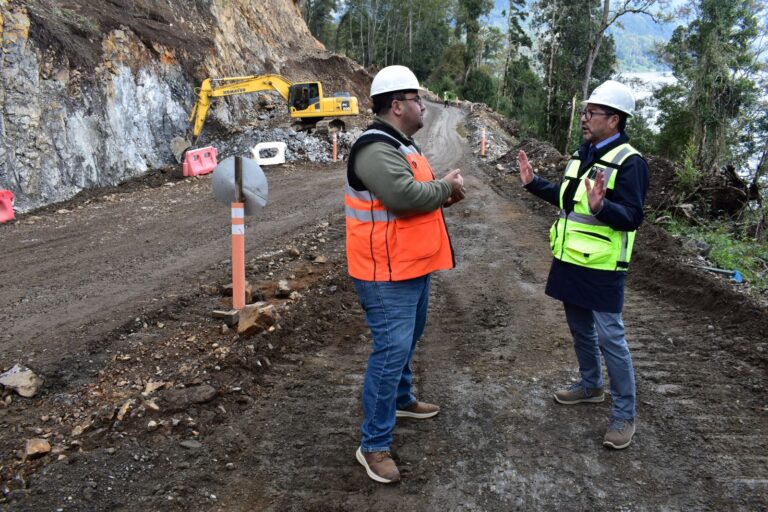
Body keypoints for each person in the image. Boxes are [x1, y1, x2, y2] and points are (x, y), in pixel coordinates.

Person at [345, 65, 466, 483]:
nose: (423, 106)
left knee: (407, 340)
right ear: (396, 105)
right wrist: (445, 188)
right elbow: (402, 196)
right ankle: (373, 445)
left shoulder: (403, 144)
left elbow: (418, 198)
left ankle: (400, 399)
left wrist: (441, 194)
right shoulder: (375, 147)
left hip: (410, 266)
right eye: (417, 99)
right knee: (390, 351)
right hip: (384, 273)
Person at [517, 80, 649, 450]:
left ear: (615, 120)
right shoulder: (582, 154)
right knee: (579, 328)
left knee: (611, 338)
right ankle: (591, 386)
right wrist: (533, 184)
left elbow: (634, 217)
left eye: (592, 113)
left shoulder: (630, 162)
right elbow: (567, 197)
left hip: (605, 265)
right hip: (571, 257)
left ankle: (624, 414)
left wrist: (603, 207)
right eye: (585, 111)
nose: (585, 118)